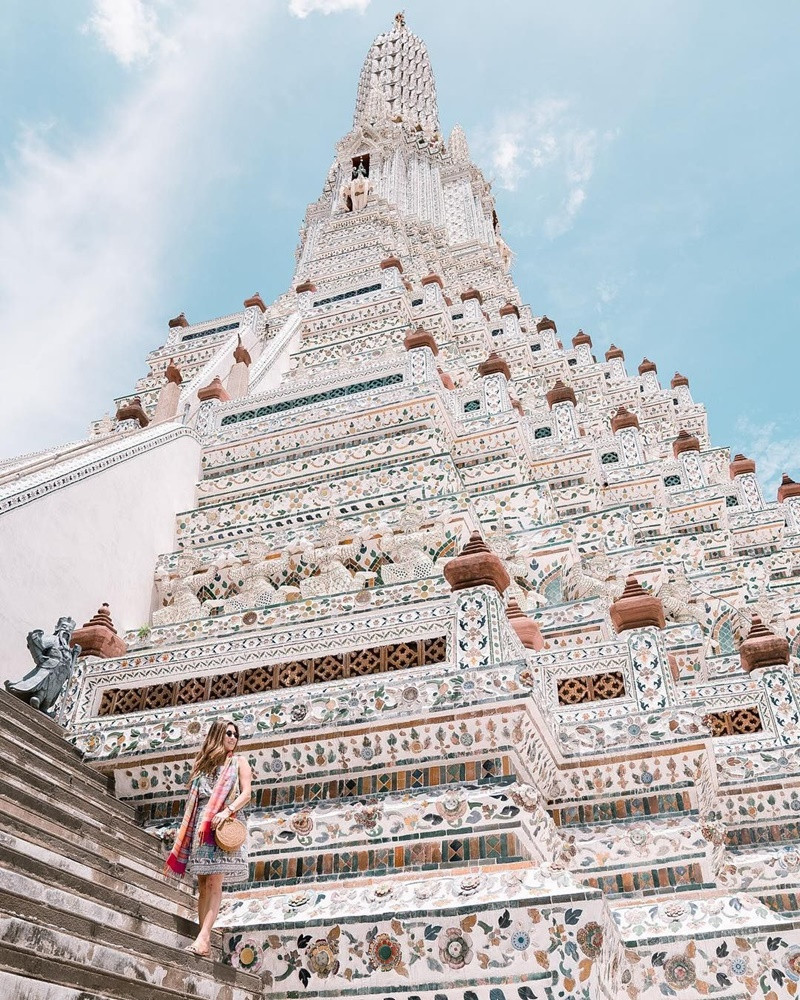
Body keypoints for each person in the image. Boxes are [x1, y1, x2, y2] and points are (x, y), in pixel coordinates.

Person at [165, 719, 252, 956]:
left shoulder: (239, 762)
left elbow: (247, 794)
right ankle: (201, 939)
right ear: (217, 735)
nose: (233, 737)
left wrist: (226, 811)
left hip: (224, 824)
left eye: (235, 734)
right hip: (201, 826)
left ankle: (204, 939)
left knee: (214, 882)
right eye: (228, 733)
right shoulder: (203, 766)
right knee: (203, 883)